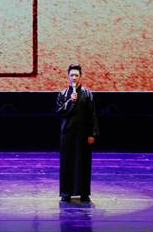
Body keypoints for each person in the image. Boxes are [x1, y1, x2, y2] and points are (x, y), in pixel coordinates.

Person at [55, 63, 99, 203]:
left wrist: (92, 133)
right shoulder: (62, 94)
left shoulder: (88, 94)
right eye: (72, 75)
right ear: (68, 76)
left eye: (76, 75)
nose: (74, 77)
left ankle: (84, 193)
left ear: (80, 77)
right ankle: (66, 193)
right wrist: (70, 101)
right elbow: (60, 112)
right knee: (67, 163)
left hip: (83, 135)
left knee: (83, 163)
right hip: (67, 134)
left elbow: (92, 115)